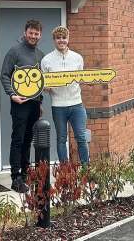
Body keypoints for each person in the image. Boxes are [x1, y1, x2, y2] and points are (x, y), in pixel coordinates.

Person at [0, 19, 44, 192]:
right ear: (25, 33)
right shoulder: (14, 51)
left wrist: (40, 103)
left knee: (28, 140)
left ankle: (25, 174)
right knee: (18, 139)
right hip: (19, 104)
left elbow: (39, 82)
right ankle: (16, 177)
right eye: (31, 33)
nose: (33, 36)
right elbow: (5, 75)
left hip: (34, 105)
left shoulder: (40, 55)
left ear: (40, 35)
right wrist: (12, 94)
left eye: (36, 33)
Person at [40, 26, 89, 165]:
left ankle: (85, 169)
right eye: (58, 38)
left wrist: (88, 81)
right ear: (54, 40)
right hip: (58, 106)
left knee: (81, 137)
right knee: (61, 139)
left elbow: (80, 79)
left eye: (64, 38)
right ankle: (64, 170)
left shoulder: (77, 58)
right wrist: (46, 88)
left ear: (68, 39)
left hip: (77, 104)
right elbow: (44, 84)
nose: (61, 40)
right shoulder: (46, 60)